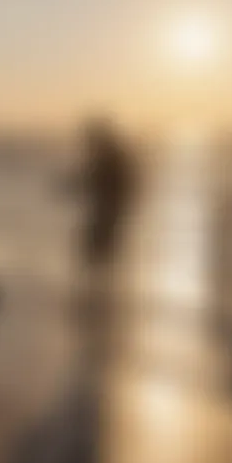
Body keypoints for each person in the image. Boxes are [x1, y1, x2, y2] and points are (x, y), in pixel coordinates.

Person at [72, 116, 138, 376]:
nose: (87, 144)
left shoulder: (109, 157)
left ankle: (97, 301)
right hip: (110, 215)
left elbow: (97, 182)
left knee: (95, 257)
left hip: (108, 215)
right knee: (99, 257)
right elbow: (94, 182)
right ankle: (99, 301)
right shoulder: (112, 155)